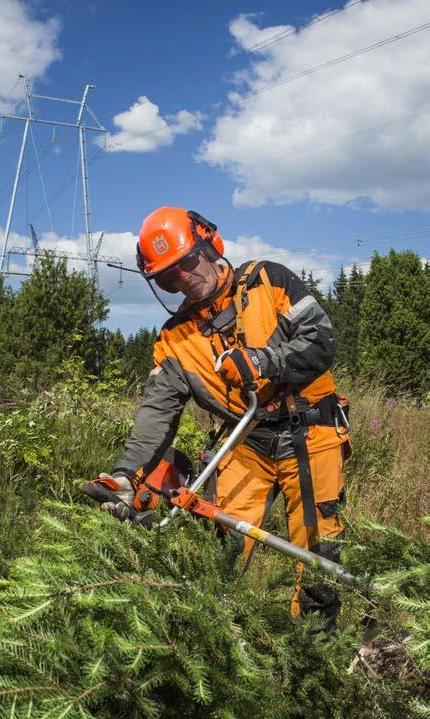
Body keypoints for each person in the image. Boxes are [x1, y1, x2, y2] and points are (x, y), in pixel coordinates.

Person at [101, 206, 351, 633]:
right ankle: (220, 649)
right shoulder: (175, 339)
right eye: (167, 277)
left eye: (186, 264)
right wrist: (129, 476)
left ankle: (315, 661)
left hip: (310, 432)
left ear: (209, 245)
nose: (182, 279)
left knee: (318, 555)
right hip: (246, 443)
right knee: (220, 551)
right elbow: (156, 413)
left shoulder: (269, 281)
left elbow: (321, 341)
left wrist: (265, 361)